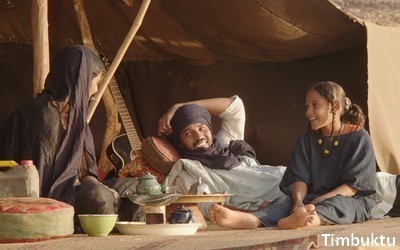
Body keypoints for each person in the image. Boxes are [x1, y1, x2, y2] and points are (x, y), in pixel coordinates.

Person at [209, 81, 377, 229]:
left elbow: (353, 187)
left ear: (335, 106)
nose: (308, 112)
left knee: (338, 204)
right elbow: (299, 177)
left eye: (315, 105)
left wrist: (319, 201)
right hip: (311, 199)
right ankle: (251, 219)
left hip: (350, 199)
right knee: (284, 202)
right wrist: (297, 202)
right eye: (307, 106)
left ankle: (312, 220)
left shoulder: (359, 138)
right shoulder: (305, 139)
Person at [0, 45, 120, 225]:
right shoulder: (40, 114)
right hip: (36, 201)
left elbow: (84, 171)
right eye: (95, 81)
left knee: (121, 189)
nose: (95, 91)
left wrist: (96, 184)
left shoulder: (76, 118)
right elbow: (44, 179)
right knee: (98, 198)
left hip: (70, 193)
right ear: (79, 80)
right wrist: (93, 189)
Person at [158, 95, 285, 213]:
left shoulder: (225, 143)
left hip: (284, 179)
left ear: (209, 128)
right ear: (179, 143)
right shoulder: (188, 170)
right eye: (188, 133)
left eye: (202, 128)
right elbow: (207, 206)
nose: (199, 136)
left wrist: (179, 106)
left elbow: (235, 108)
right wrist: (255, 214)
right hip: (270, 203)